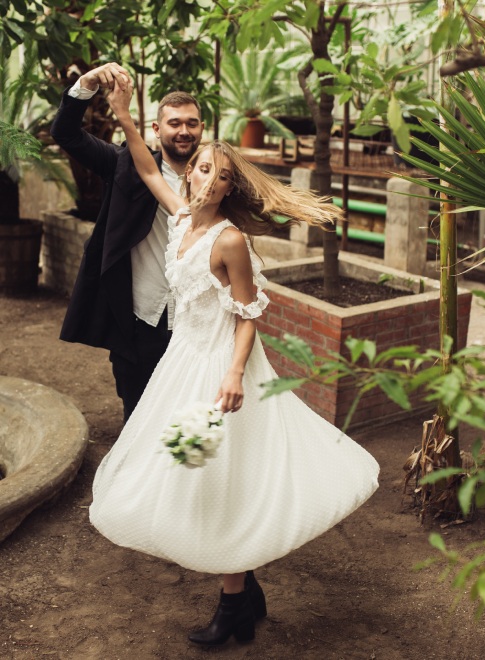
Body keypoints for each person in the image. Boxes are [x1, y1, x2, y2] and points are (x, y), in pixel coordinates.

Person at [88, 76, 380, 647]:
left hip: (222, 365)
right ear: (190, 171)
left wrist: (231, 374)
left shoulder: (229, 241)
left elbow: (249, 314)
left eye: (223, 177)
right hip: (182, 358)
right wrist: (124, 115)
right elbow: (148, 168)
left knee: (221, 482)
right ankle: (247, 592)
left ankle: (233, 610)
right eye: (204, 170)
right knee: (186, 471)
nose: (211, 182)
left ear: (227, 188)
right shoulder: (177, 220)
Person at [50, 63, 205, 421]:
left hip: (195, 322)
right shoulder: (124, 165)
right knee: (138, 415)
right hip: (140, 319)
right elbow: (66, 134)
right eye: (175, 123)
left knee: (189, 415)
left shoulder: (216, 179)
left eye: (191, 123)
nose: (184, 131)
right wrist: (86, 84)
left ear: (201, 129)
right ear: (156, 128)